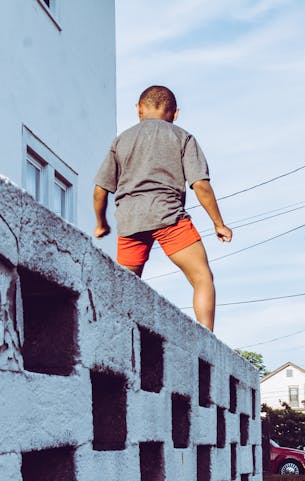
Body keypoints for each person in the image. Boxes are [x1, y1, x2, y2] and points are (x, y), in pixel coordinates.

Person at [93, 84, 232, 331]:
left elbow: (100, 190)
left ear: (138, 110)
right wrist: (218, 224)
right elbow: (200, 185)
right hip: (169, 217)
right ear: (175, 113)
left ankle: (115, 335)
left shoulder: (121, 141)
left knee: (125, 289)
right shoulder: (182, 137)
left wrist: (101, 223)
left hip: (129, 222)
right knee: (202, 277)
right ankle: (207, 342)